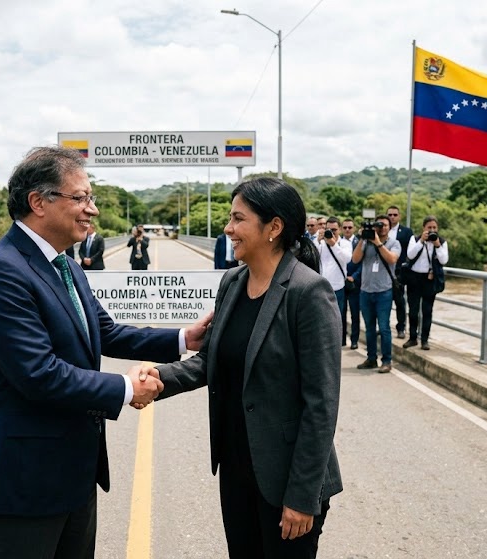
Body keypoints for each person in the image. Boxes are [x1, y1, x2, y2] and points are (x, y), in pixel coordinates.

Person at [0, 145, 210, 559]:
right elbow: (39, 374)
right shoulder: (2, 271)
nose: (92, 210)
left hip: (74, 475)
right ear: (38, 202)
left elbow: (104, 332)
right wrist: (126, 388)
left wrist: (184, 338)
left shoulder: (66, 264)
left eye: (90, 198)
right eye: (80, 198)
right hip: (25, 482)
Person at [142, 177, 341, 558]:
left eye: (238, 219)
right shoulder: (233, 281)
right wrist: (158, 378)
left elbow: (321, 405)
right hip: (236, 467)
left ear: (274, 228)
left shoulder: (308, 293)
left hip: (286, 478)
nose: (227, 228)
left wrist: (301, 497)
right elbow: (210, 360)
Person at [351, 214, 401, 373]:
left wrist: (378, 243)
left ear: (389, 227)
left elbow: (392, 259)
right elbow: (355, 259)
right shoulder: (366, 242)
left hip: (384, 292)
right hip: (366, 291)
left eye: (385, 225)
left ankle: (386, 360)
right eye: (379, 225)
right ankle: (371, 358)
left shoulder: (394, 243)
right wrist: (362, 238)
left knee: (384, 327)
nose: (382, 228)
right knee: (369, 328)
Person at [403, 216, 449, 351]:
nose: (432, 230)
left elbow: (444, 260)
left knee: (427, 310)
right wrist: (422, 241)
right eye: (429, 227)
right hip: (414, 278)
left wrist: (437, 246)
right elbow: (410, 255)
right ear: (424, 228)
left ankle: (424, 340)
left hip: (430, 279)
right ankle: (412, 338)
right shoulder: (415, 239)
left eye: (434, 228)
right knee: (413, 310)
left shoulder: (441, 242)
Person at [317, 216, 352, 324]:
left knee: (337, 319)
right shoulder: (320, 243)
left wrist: (333, 244)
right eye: (329, 230)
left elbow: (347, 259)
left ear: (340, 229)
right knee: (321, 319)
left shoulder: (345, 243)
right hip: (322, 287)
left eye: (334, 230)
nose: (331, 233)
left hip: (338, 287)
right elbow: (312, 258)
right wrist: (317, 242)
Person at [386, 206, 413, 339]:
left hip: (399, 272)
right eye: (389, 214)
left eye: (394, 214)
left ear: (399, 216)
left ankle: (401, 328)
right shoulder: (382, 231)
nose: (392, 217)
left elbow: (411, 252)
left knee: (400, 302)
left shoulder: (406, 232)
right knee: (384, 301)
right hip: (383, 271)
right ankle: (383, 327)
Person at [341, 219, 361, 349]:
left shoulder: (359, 243)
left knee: (354, 314)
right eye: (345, 227)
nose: (347, 230)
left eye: (350, 227)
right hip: (341, 282)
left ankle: (354, 340)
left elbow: (362, 263)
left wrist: (354, 277)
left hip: (354, 283)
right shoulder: (338, 242)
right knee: (341, 313)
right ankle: (342, 339)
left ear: (353, 228)